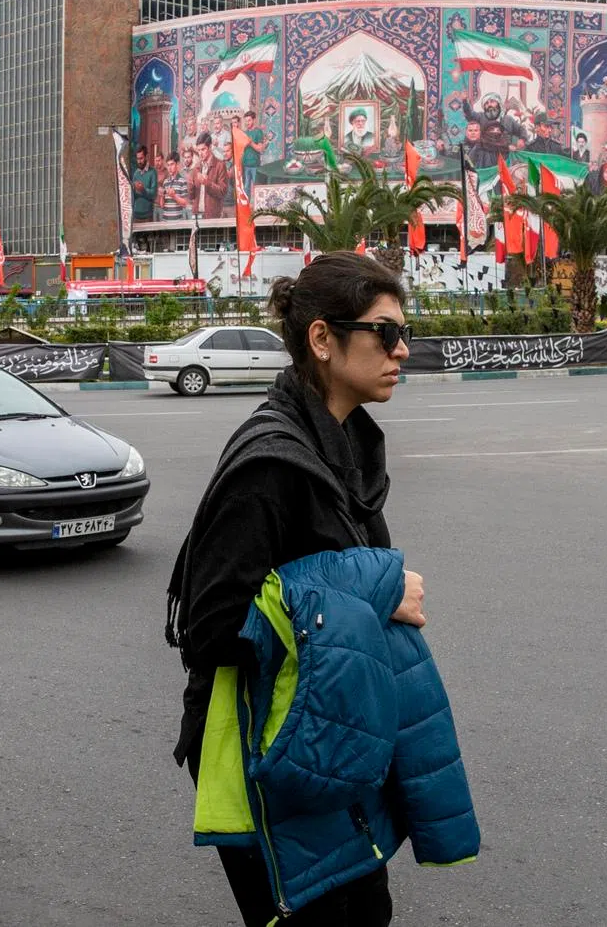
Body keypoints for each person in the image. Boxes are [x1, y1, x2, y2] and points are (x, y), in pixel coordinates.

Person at [169, 253, 434, 926]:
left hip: (321, 736)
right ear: (323, 339)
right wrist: (371, 589)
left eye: (404, 331)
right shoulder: (271, 464)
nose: (401, 349)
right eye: (384, 332)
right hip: (270, 751)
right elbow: (211, 628)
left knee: (365, 909)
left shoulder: (342, 447)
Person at [240, 109, 269, 200]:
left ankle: (258, 207)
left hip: (255, 165)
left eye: (249, 120)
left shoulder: (258, 132)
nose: (247, 123)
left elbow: (260, 149)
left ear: (254, 120)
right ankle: (247, 207)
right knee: (246, 187)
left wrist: (250, 142)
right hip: (245, 165)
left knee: (257, 187)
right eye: (246, 121)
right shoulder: (244, 133)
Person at [160, 150, 192, 221]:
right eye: (168, 165)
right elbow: (162, 205)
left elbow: (185, 203)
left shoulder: (182, 181)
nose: (169, 168)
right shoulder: (165, 182)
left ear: (177, 164)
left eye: (172, 164)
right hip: (165, 221)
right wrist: (162, 196)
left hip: (177, 222)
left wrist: (174, 196)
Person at [131, 146, 157, 222]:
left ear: (146, 157)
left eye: (141, 158)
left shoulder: (152, 172)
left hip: (147, 216)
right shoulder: (136, 173)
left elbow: (153, 194)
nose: (139, 161)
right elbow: (133, 196)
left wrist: (143, 189)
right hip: (136, 215)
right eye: (137, 159)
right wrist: (133, 189)